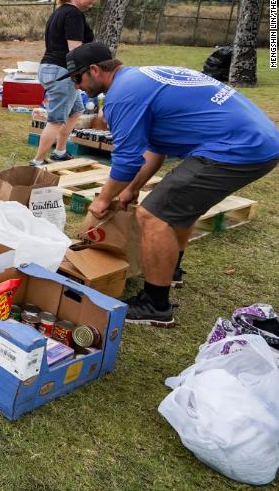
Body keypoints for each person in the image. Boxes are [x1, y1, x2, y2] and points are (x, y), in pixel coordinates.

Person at [65, 42, 279, 326]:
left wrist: (102, 201)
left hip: (236, 148)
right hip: (257, 141)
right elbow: (154, 152)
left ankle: (155, 304)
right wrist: (132, 189)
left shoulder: (121, 96)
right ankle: (171, 272)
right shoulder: (140, 79)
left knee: (153, 215)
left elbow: (127, 162)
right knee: (179, 208)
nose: (77, 87)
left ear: (94, 70)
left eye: (76, 79)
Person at [30, 0, 99, 166]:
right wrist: (87, 73)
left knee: (76, 110)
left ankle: (60, 151)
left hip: (53, 69)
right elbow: (75, 50)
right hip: (63, 71)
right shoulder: (73, 14)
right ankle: (38, 161)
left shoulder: (62, 11)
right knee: (56, 120)